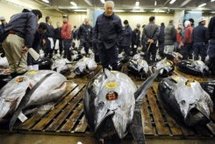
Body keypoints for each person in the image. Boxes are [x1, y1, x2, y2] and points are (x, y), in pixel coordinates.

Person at [2, 9, 42, 76]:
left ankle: (13, 85)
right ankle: (21, 86)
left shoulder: (15, 15)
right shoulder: (32, 15)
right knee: (21, 67)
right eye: (38, 19)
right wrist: (28, 45)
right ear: (37, 16)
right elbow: (31, 30)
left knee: (12, 67)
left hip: (5, 39)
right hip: (17, 39)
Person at [93, 1, 122, 70]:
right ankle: (105, 76)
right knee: (104, 63)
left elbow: (120, 32)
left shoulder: (117, 19)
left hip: (112, 45)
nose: (109, 10)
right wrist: (96, 40)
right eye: (107, 8)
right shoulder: (99, 18)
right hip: (101, 45)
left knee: (114, 63)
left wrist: (117, 42)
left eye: (111, 8)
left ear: (113, 8)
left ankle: (115, 78)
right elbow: (95, 30)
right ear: (104, 8)